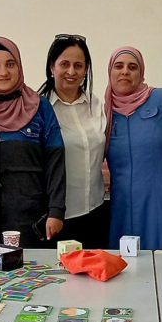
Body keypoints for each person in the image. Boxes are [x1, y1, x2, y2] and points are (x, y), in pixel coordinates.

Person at [0, 37, 65, 247]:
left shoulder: (39, 106)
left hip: (31, 219)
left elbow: (56, 162)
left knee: (31, 278)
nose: (3, 72)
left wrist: (56, 211)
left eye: (10, 64)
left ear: (19, 66)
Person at [104, 46, 162, 250]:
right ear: (110, 72)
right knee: (121, 273)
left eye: (132, 67)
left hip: (158, 205)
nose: (125, 71)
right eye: (118, 66)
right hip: (119, 210)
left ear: (141, 73)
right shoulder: (103, 112)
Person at [38, 35, 107, 247]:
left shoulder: (96, 104)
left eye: (78, 65)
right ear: (52, 66)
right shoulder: (38, 108)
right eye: (64, 64)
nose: (71, 72)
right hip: (57, 217)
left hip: (96, 210)